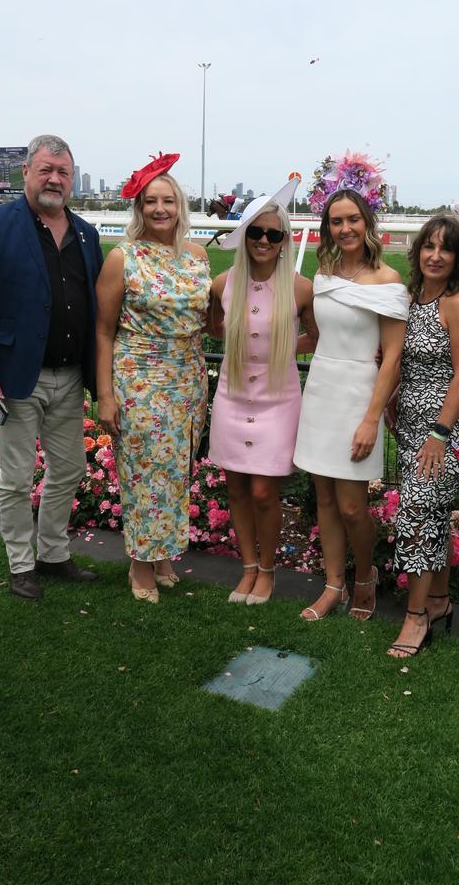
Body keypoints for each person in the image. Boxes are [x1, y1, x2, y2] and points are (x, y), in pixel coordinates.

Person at [0, 134, 104, 600]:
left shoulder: (86, 233)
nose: (54, 179)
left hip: (70, 376)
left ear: (72, 177)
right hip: (16, 378)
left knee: (70, 469)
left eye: (63, 171)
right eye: (46, 169)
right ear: (26, 173)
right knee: (15, 477)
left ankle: (52, 553)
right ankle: (21, 564)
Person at [95, 153, 211, 604]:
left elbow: (208, 318)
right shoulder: (123, 258)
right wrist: (105, 394)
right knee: (146, 470)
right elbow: (104, 331)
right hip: (139, 376)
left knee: (178, 469)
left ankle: (163, 555)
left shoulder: (198, 257)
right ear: (139, 209)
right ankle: (140, 564)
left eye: (168, 201)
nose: (160, 209)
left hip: (189, 378)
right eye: (150, 202)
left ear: (180, 207)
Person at [293, 187, 408, 621]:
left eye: (353, 219)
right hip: (321, 388)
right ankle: (333, 585)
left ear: (368, 223)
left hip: (361, 396)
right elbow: (319, 336)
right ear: (327, 228)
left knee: (352, 507)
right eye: (336, 221)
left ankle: (365, 576)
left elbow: (393, 356)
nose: (345, 228)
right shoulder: (323, 274)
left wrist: (371, 419)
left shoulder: (388, 281)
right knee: (324, 499)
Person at [208, 178, 318, 605]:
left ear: (284, 239)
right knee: (235, 489)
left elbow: (316, 336)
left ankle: (268, 570)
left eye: (274, 234)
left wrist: (284, 347)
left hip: (278, 400)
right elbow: (212, 327)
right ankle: (248, 568)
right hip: (232, 398)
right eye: (256, 231)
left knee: (262, 492)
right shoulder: (222, 283)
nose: (264, 240)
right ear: (245, 234)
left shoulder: (300, 287)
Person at [386, 213, 459, 657]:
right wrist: (391, 402)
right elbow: (399, 359)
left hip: (447, 429)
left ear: (458, 258)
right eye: (429, 246)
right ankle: (439, 602)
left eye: (446, 248)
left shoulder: (457, 303)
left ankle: (415, 616)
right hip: (409, 427)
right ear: (417, 251)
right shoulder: (410, 298)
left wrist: (439, 433)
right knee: (433, 512)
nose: (435, 255)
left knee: (417, 510)